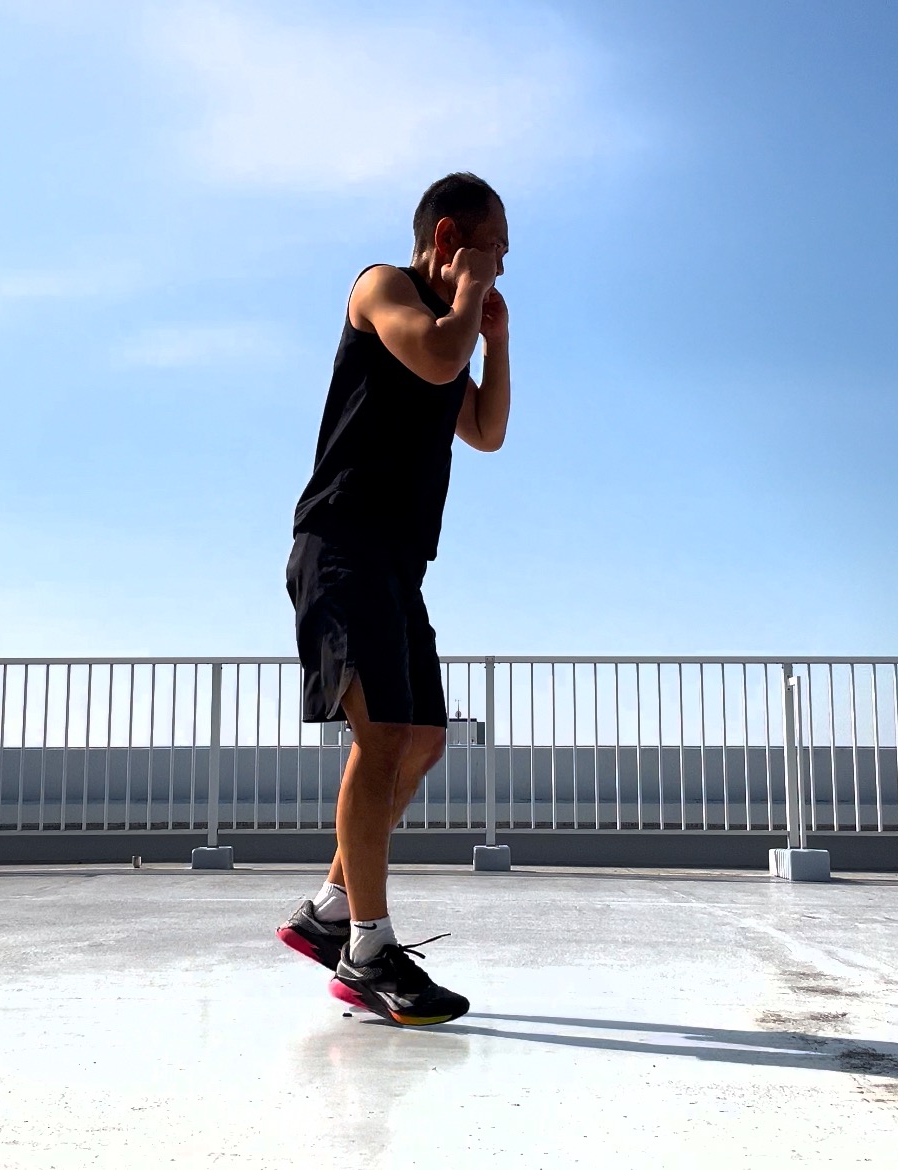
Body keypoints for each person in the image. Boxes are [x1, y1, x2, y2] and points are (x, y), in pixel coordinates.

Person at [276, 173, 510, 1026]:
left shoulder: (452, 328)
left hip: (397, 564)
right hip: (341, 546)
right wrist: (469, 296)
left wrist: (496, 339)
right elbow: (438, 356)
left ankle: (330, 910)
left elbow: (484, 430)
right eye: (493, 248)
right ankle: (366, 950)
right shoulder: (383, 288)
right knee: (380, 739)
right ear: (449, 237)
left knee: (421, 740)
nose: (500, 266)